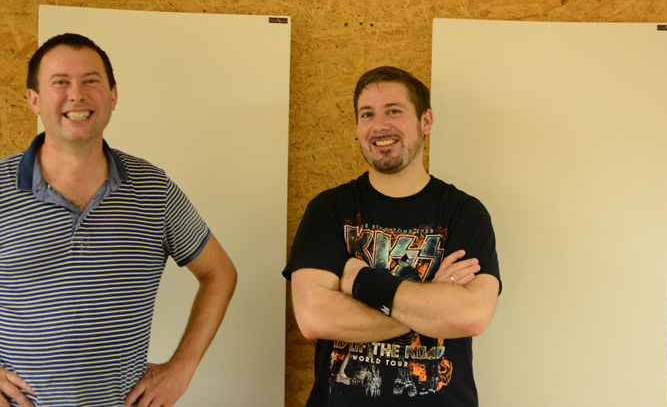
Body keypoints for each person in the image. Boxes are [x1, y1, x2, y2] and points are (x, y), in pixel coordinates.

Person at [0, 34, 237, 407]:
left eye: (90, 81)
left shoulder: (153, 189)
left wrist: (183, 367)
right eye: (60, 82)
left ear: (112, 96)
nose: (76, 95)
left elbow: (219, 272)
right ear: (34, 99)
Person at [283, 66, 501, 406]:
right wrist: (431, 303)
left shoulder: (464, 213)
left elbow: (470, 315)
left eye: (394, 111)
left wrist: (360, 282)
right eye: (367, 114)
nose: (379, 126)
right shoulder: (329, 210)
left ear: (425, 121)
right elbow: (314, 317)